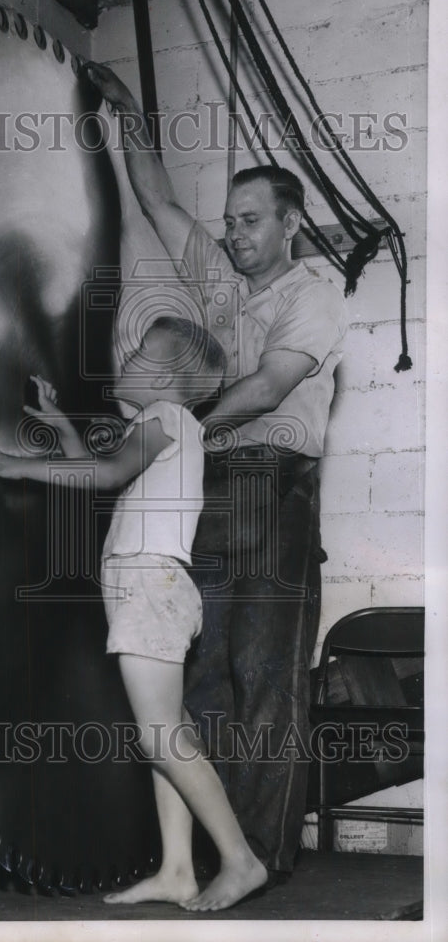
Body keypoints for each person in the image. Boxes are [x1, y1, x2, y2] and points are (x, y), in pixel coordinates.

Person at [84, 62, 348, 883]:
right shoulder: (225, 285)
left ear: (291, 224)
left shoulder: (316, 289)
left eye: (250, 221)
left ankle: (262, 856)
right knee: (200, 677)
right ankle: (196, 862)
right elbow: (160, 203)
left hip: (271, 485)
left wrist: (177, 426)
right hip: (213, 491)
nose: (234, 234)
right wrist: (128, 117)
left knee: (265, 673)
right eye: (230, 221)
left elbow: (271, 386)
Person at [0, 316, 267, 912]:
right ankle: (178, 870)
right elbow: (106, 482)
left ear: (164, 377)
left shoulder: (164, 419)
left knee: (160, 737)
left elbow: (104, 473)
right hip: (151, 587)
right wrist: (60, 427)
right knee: (167, 733)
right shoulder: (164, 431)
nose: (125, 358)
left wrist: (16, 464)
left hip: (149, 586)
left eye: (139, 354)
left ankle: (240, 859)